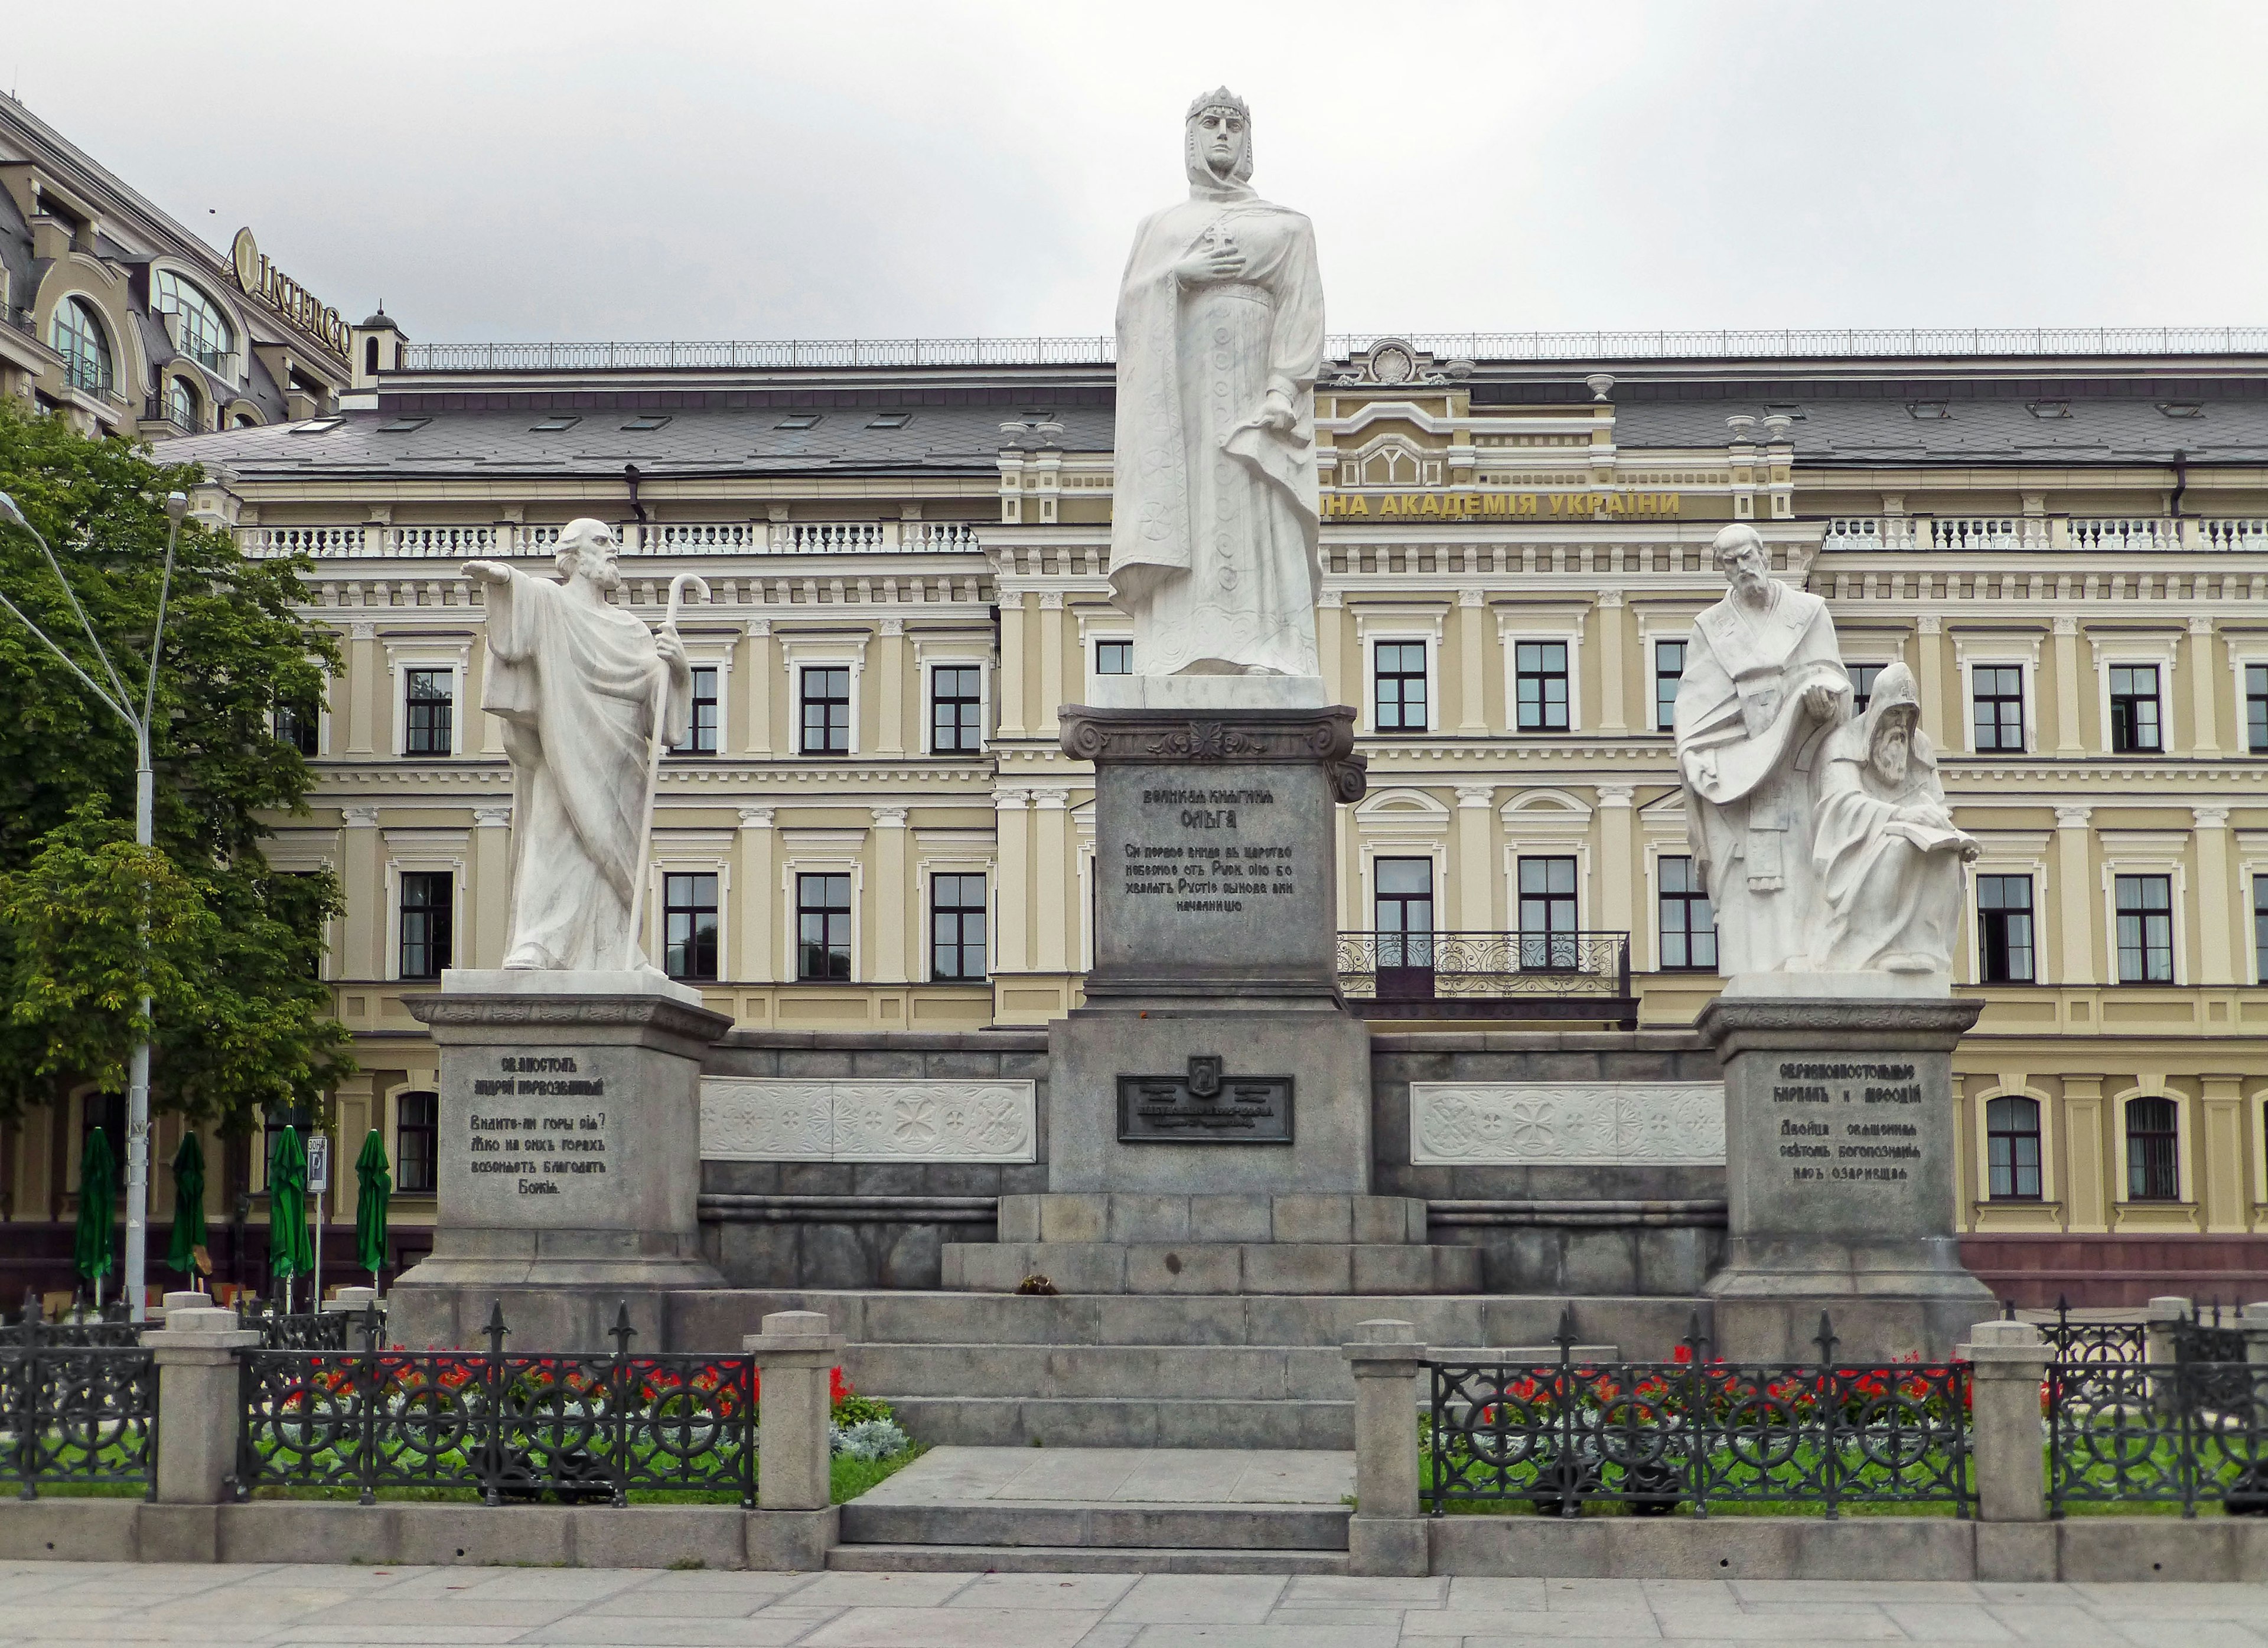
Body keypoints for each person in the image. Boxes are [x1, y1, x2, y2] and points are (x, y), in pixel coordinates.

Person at [1107, 88, 1326, 677]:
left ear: (1247, 140)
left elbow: (1301, 308)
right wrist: (1178, 277)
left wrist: (1284, 388)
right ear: (1191, 138)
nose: (1223, 133)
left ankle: (1269, 649)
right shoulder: (1161, 228)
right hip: (1187, 399)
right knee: (1197, 504)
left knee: (1260, 500)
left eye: (1234, 124)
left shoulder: (1288, 227)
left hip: (1257, 391)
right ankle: (1187, 650)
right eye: (1211, 122)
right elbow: (1130, 315)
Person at [462, 520, 691, 971]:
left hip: (623, 757)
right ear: (573, 557)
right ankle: (539, 942)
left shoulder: (633, 630)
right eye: (602, 542)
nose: (614, 551)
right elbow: (518, 614)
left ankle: (617, 945)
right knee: (552, 834)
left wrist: (679, 671)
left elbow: (662, 723)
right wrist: (504, 581)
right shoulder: (551, 603)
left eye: (614, 543)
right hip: (563, 739)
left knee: (608, 858)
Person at [1673, 523, 1851, 973]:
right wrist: (1698, 756)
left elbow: (1837, 686)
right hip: (1738, 773)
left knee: (1797, 866)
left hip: (1797, 767)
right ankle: (1749, 969)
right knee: (1741, 873)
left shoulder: (1808, 612)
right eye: (1730, 563)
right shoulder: (1711, 629)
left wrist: (1821, 701)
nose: (1742, 568)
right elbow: (1695, 706)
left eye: (1747, 557)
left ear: (1764, 556)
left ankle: (1799, 960)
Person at [1813, 663, 1980, 973]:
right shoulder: (1843, 743)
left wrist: (1954, 839)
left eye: (1908, 714)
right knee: (1898, 847)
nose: (1901, 723)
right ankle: (1877, 948)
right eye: (1894, 712)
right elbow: (1841, 806)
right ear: (1878, 710)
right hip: (1855, 851)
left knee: (1944, 857)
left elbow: (1935, 806)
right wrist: (1901, 816)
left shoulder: (1922, 749)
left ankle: (1924, 949)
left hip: (1905, 838)